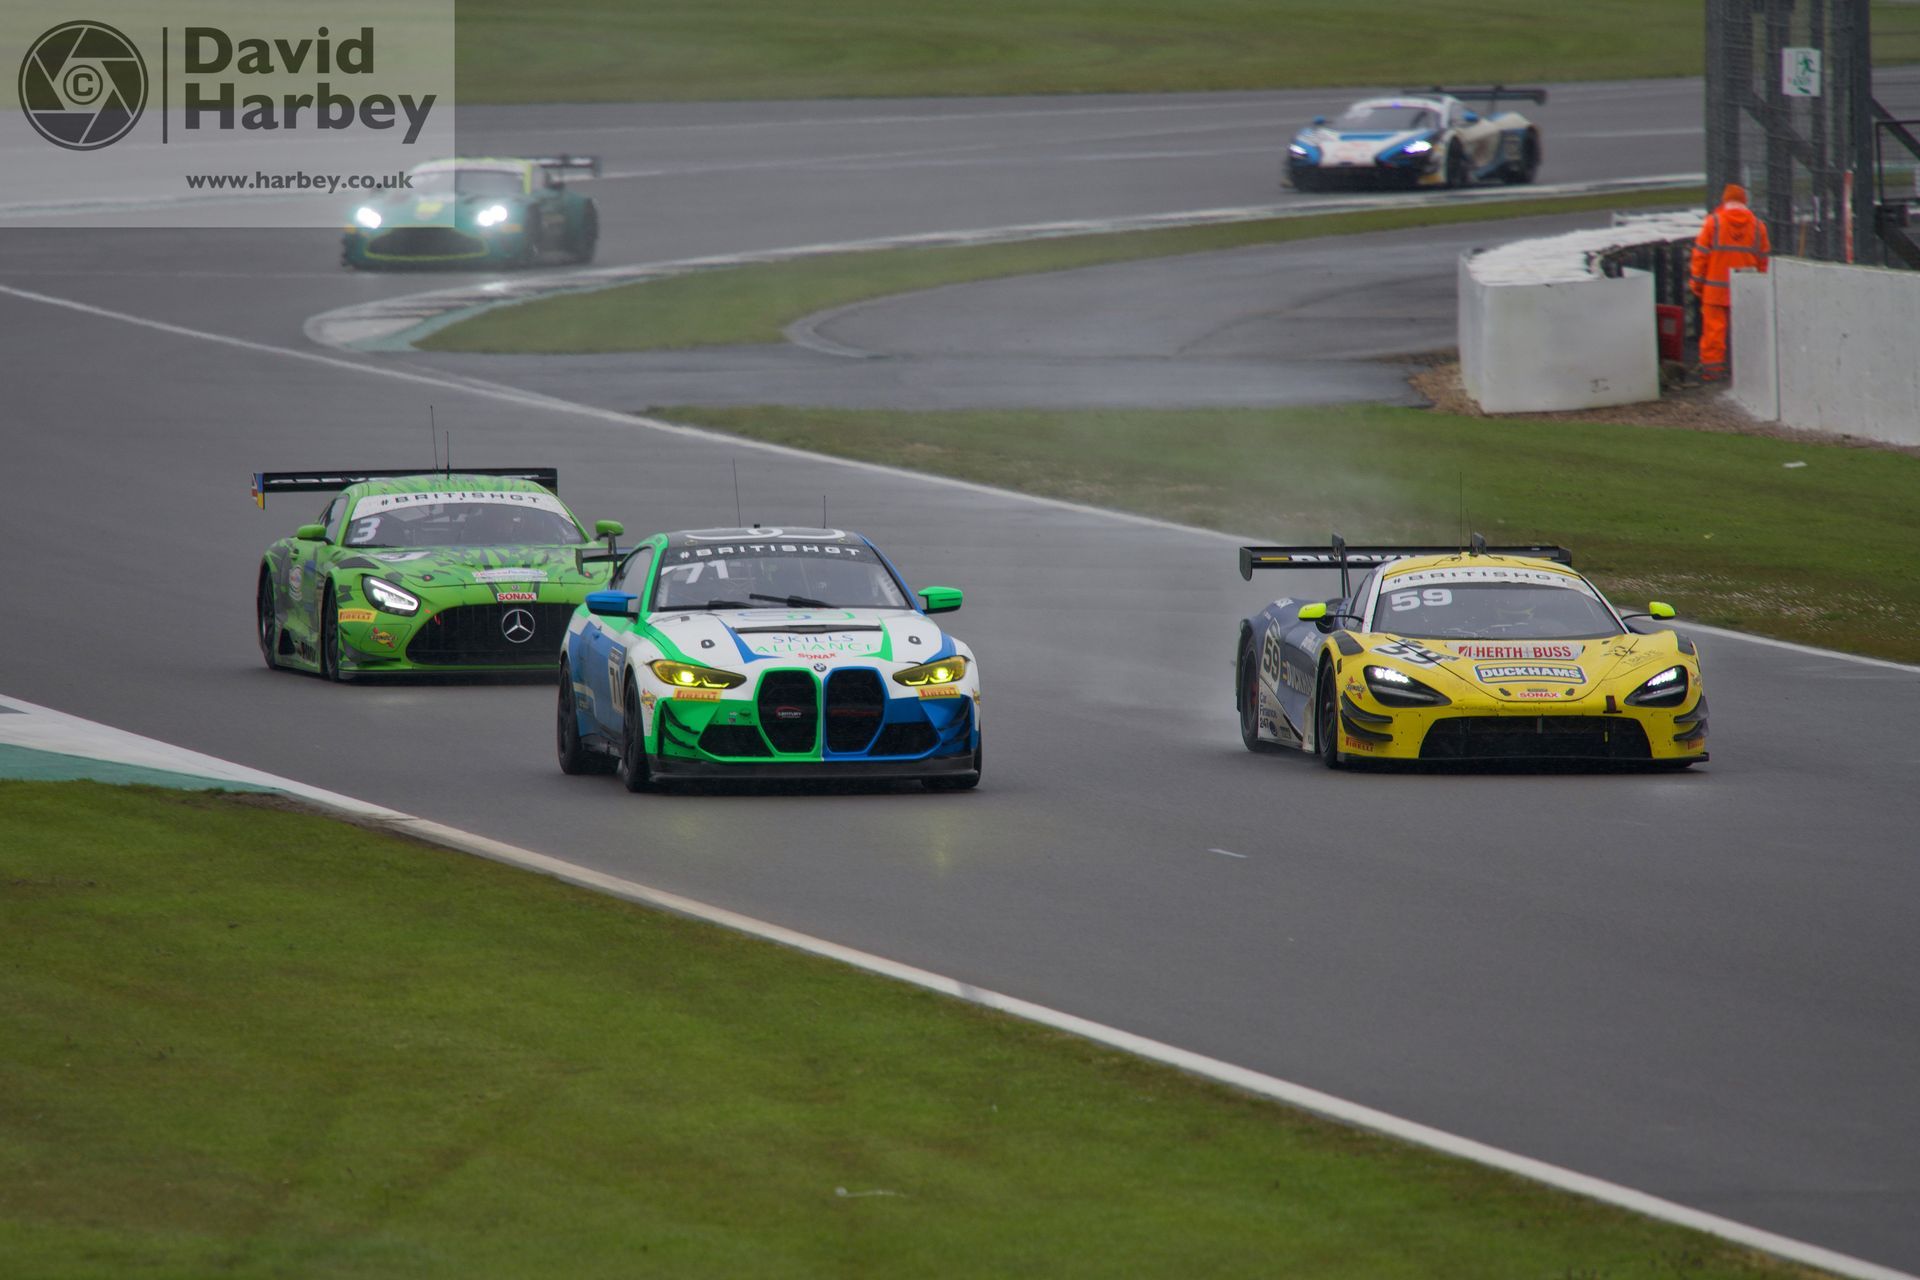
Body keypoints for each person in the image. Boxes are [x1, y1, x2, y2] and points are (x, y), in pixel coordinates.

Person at [1690, 184, 1771, 382]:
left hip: (1714, 291)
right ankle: (1747, 371)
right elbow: (1763, 262)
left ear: (1725, 201)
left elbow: (1700, 257)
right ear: (1744, 202)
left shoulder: (1713, 223)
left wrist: (1697, 285)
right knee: (1745, 331)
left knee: (1714, 334)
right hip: (1746, 291)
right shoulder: (1758, 226)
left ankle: (1713, 372)